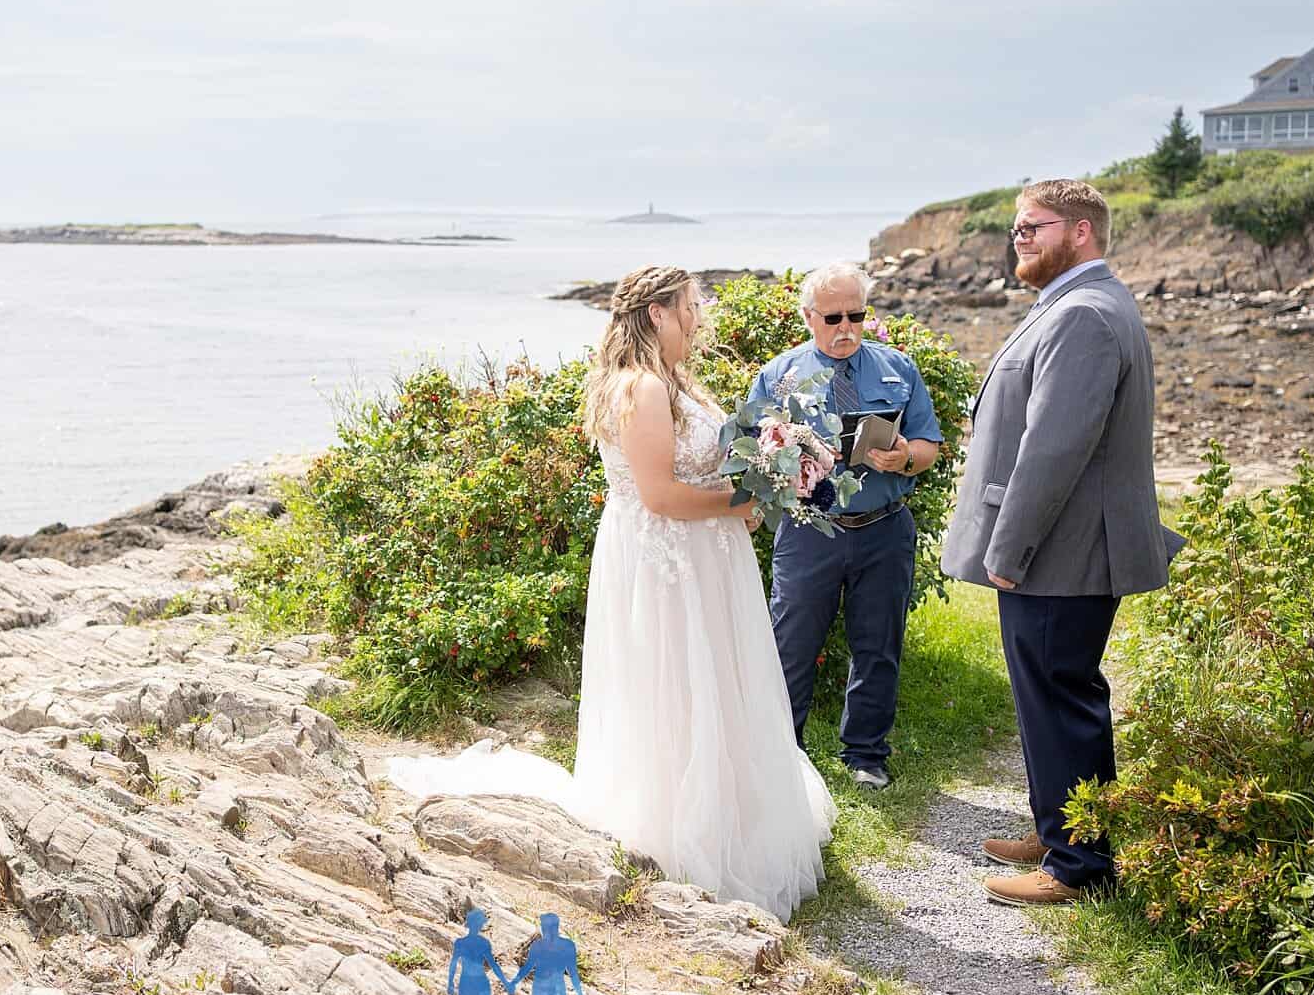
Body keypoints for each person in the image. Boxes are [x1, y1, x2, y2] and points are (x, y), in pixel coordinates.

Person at [388, 264, 836, 921]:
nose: (699, 316)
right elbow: (659, 495)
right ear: (658, 313)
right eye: (689, 305)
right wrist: (742, 500)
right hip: (667, 565)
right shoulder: (642, 389)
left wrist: (772, 465)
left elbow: (705, 464)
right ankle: (679, 827)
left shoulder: (677, 381)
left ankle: (728, 808)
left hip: (704, 557)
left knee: (714, 681)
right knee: (676, 684)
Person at [940, 179, 1185, 907]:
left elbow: (1053, 450)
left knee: (1061, 697)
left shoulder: (1083, 314)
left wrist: (1007, 551)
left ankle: (1078, 866)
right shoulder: (1077, 304)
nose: (1018, 238)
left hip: (1060, 552)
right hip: (1064, 548)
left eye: (1033, 227)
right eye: (1015, 228)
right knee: (1050, 695)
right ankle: (1061, 830)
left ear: (1080, 233)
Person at [750, 262, 943, 791]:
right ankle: (783, 755)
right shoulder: (778, 375)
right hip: (810, 529)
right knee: (791, 641)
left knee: (878, 643)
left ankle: (865, 756)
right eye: (833, 317)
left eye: (856, 315)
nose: (846, 327)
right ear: (809, 316)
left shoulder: (898, 369)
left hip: (884, 527)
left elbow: (929, 444)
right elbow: (744, 453)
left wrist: (905, 458)